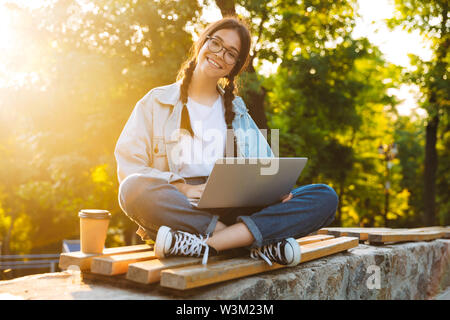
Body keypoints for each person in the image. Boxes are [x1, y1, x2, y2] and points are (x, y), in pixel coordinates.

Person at [115, 16, 338, 267]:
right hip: (182, 208)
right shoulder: (156, 102)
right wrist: (184, 188)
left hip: (236, 207)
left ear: (234, 66)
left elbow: (266, 165)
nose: (220, 54)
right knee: (132, 189)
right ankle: (248, 240)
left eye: (231, 53)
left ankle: (206, 245)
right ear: (202, 43)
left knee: (325, 196)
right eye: (216, 43)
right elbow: (130, 167)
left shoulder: (238, 110)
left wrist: (277, 190)